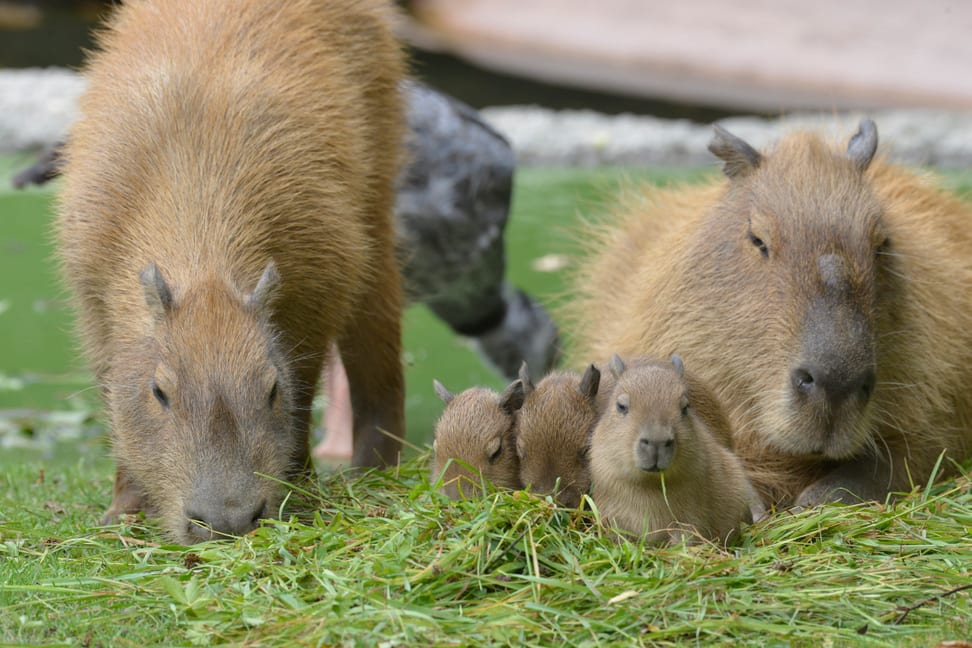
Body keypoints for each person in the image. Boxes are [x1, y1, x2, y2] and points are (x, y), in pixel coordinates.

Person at [13, 80, 560, 461]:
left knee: (333, 287)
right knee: (340, 286)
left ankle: (346, 426)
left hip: (431, 182)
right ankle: (347, 427)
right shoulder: (461, 247)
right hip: (420, 182)